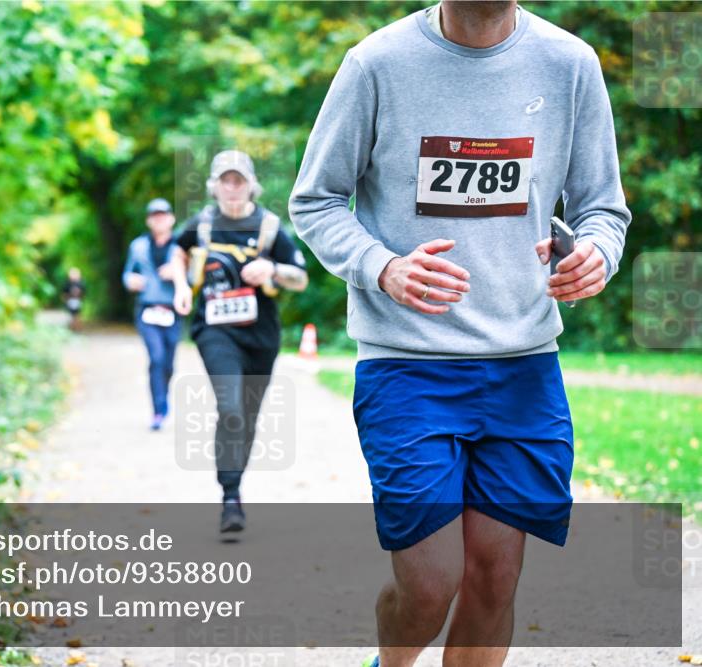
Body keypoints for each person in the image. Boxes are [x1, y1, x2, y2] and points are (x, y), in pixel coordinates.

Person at [288, 2, 630, 666]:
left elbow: (601, 207)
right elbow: (315, 198)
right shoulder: (376, 65)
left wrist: (595, 251)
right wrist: (381, 266)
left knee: (495, 577)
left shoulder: (569, 65)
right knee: (429, 581)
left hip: (524, 366)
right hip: (407, 365)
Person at [170, 149, 309, 533]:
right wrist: (182, 286)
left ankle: (235, 487)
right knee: (230, 406)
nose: (233, 188)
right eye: (225, 181)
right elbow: (176, 253)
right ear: (215, 186)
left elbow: (301, 278)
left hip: (262, 335)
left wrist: (273, 268)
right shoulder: (200, 225)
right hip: (215, 331)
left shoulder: (267, 226)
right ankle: (230, 495)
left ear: (251, 185)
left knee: (247, 416)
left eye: (239, 181)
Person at [123, 197, 182, 431]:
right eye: (154, 216)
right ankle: (158, 410)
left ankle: (163, 399)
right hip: (147, 310)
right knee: (156, 357)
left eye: (163, 215)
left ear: (171, 219)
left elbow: (193, 278)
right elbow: (127, 274)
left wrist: (177, 273)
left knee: (168, 363)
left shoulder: (181, 247)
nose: (159, 220)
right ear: (149, 221)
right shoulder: (137, 246)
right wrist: (131, 281)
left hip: (173, 310)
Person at [61, 267, 86, 332]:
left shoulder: (80, 283)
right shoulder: (68, 283)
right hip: (70, 301)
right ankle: (73, 328)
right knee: (72, 315)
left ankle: (77, 328)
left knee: (77, 315)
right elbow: (64, 293)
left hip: (77, 300)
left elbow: (83, 292)